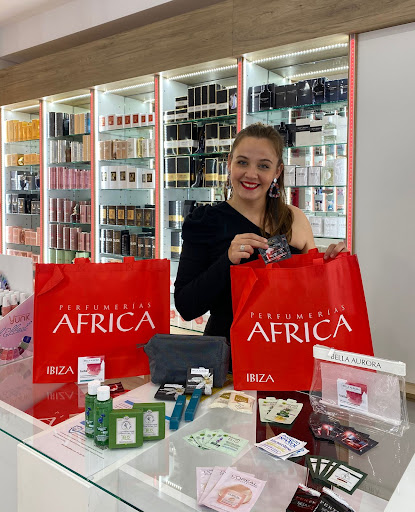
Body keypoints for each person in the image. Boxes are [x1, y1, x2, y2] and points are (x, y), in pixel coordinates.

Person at [174, 123, 345, 342]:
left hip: (288, 345)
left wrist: (332, 267)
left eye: (263, 166)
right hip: (228, 353)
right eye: (242, 162)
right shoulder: (204, 221)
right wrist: (227, 261)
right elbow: (187, 307)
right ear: (229, 163)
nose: (251, 174)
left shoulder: (295, 219)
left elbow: (313, 297)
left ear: (277, 171)